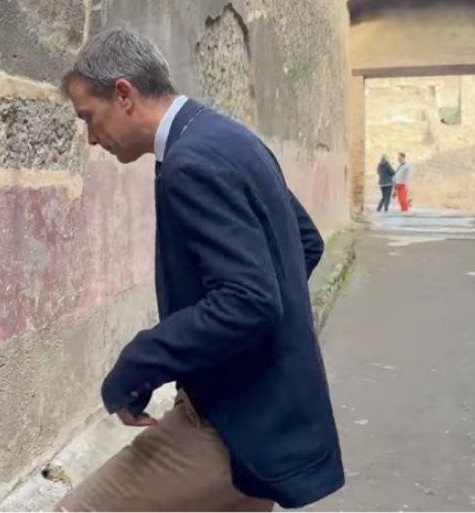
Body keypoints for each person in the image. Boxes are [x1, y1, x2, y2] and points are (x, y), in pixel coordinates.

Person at [57, 29, 344, 511]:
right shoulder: (228, 136)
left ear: (123, 94)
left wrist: (138, 363)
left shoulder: (191, 161)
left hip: (232, 428)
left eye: (89, 117)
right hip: (269, 415)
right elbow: (304, 244)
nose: (90, 137)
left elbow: (248, 299)